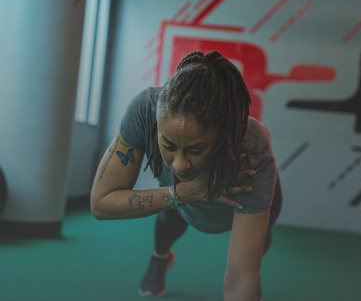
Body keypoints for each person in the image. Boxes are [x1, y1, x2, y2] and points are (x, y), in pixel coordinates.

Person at [90, 51, 282, 301]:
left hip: (247, 200)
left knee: (253, 255)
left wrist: (246, 279)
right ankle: (160, 258)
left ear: (223, 137)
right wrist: (182, 192)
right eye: (168, 145)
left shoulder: (251, 150)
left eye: (195, 149)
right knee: (170, 215)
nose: (179, 165)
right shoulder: (145, 111)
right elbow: (101, 204)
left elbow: (236, 282)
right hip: (182, 199)